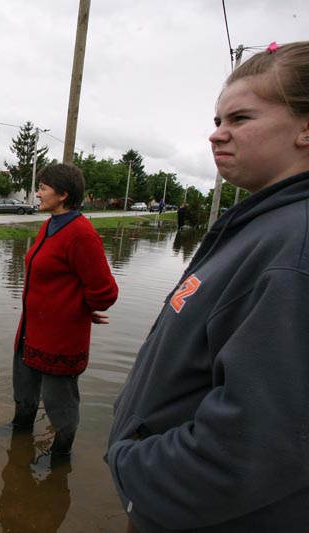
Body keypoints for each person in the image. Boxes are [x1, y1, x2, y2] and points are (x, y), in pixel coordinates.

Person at [107, 41, 309, 532]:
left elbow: (254, 445)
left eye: (240, 119)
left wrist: (134, 468)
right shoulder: (265, 224)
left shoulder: (294, 248)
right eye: (217, 121)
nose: (217, 136)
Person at [12, 163, 118, 457]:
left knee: (60, 406)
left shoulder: (82, 234)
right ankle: (19, 437)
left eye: (43, 188)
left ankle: (60, 459)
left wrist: (80, 308)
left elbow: (106, 292)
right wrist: (77, 303)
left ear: (63, 195)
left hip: (59, 339)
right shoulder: (49, 224)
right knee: (24, 393)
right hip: (31, 330)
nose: (37, 193)